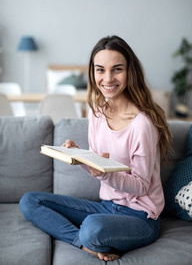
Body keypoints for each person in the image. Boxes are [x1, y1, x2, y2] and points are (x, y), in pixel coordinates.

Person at [20, 35, 172, 261]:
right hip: (107, 207)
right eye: (100, 70)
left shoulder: (142, 124)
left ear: (130, 72)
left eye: (117, 69)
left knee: (92, 227)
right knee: (30, 201)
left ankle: (90, 237)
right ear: (93, 72)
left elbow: (141, 186)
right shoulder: (97, 113)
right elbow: (99, 164)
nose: (108, 78)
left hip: (140, 217)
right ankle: (83, 243)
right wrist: (78, 156)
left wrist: (106, 176)